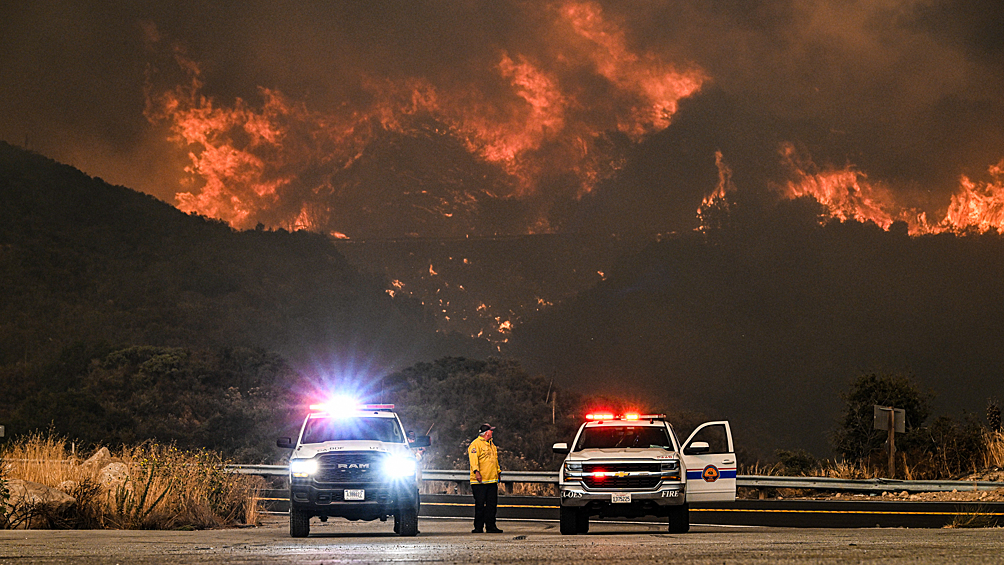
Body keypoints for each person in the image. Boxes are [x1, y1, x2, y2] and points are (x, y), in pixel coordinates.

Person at [468, 423, 503, 533]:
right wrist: (477, 473)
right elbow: (474, 461)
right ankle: (478, 527)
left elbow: (495, 460)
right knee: (480, 505)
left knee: (492, 505)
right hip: (480, 481)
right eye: (491, 430)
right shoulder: (475, 445)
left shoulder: (492, 445)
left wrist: (498, 472)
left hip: (492, 480)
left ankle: (491, 526)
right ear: (486, 433)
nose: (492, 432)